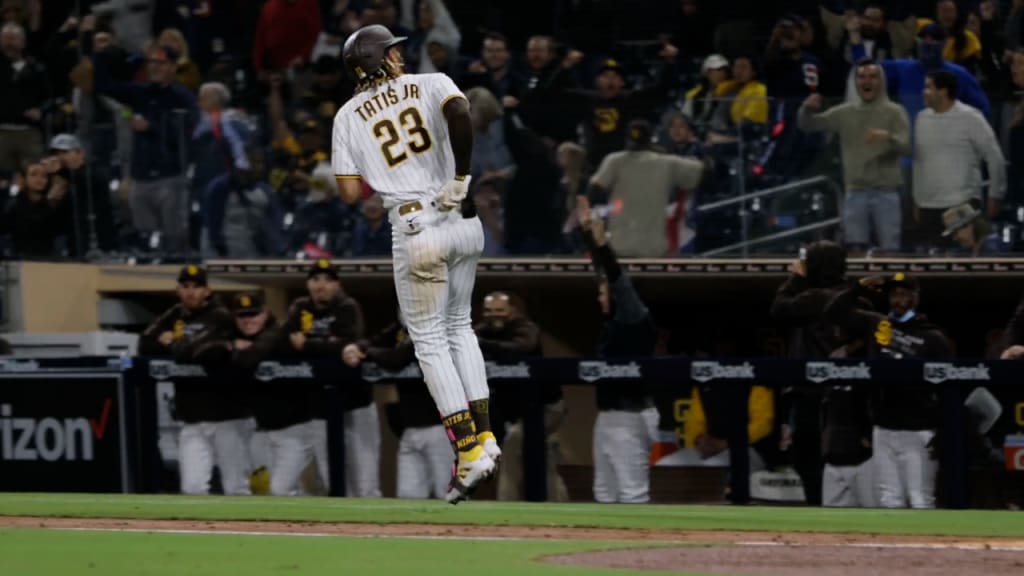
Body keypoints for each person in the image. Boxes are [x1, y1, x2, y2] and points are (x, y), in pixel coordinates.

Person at [332, 24, 499, 504]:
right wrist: (462, 175)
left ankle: (468, 449)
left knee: (428, 341)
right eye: (393, 50)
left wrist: (380, 172)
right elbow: (461, 111)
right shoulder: (431, 82)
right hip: (462, 219)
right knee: (460, 327)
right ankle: (484, 435)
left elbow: (347, 192)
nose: (400, 55)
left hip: (415, 228)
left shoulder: (347, 117)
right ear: (381, 59)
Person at [826, 272, 951, 509]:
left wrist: (942, 432)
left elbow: (948, 390)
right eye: (894, 294)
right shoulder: (877, 324)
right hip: (883, 427)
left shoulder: (932, 337)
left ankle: (927, 545)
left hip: (919, 430)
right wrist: (858, 288)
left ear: (915, 298)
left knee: (920, 499)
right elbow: (833, 312)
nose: (898, 300)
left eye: (904, 294)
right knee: (889, 498)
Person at [139, 265, 252, 495]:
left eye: (196, 287)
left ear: (207, 289)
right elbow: (144, 344)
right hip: (191, 416)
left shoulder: (220, 315)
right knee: (192, 488)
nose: (191, 292)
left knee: (236, 487)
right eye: (185, 286)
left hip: (226, 416)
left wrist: (170, 343)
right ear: (178, 289)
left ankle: (246, 530)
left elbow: (202, 352)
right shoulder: (174, 314)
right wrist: (176, 346)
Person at [577, 195, 658, 504]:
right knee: (604, 492)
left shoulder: (635, 318)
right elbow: (606, 278)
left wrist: (602, 247)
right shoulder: (613, 323)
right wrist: (588, 235)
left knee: (631, 492)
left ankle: (638, 552)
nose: (600, 298)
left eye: (602, 293)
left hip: (631, 413)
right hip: (608, 414)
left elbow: (617, 282)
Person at [283, 259, 375, 497]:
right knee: (331, 478)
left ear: (337, 284)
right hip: (320, 406)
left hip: (356, 404)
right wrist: (327, 345)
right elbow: (289, 342)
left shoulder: (347, 306)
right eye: (315, 279)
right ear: (308, 284)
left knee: (364, 481)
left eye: (327, 280)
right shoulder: (300, 307)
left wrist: (310, 344)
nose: (321, 285)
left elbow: (348, 342)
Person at [93, 43, 198, 253]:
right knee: (145, 242)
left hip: (170, 178)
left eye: (160, 63)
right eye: (151, 62)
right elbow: (104, 87)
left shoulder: (183, 97)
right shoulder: (141, 92)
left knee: (175, 241)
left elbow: (187, 133)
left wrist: (152, 127)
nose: (154, 67)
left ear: (173, 67)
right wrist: (102, 55)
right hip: (140, 179)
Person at [798, 60, 910, 253]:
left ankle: (893, 284)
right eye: (862, 76)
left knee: (890, 249)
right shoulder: (845, 112)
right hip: (855, 192)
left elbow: (907, 146)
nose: (867, 81)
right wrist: (806, 109)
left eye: (873, 77)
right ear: (856, 81)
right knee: (854, 248)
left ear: (881, 81)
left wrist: (889, 138)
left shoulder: (895, 112)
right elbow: (809, 125)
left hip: (887, 192)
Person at [770, 240, 850, 506]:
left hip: (815, 393)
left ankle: (820, 507)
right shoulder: (852, 293)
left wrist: (796, 276)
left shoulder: (818, 297)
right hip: (843, 393)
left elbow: (779, 308)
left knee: (813, 458)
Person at [348, 310, 454, 500]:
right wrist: (357, 348)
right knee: (408, 496)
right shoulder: (401, 330)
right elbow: (375, 340)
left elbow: (396, 359)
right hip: (411, 427)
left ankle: (458, 530)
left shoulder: (437, 329)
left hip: (441, 428)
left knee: (447, 494)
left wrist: (367, 353)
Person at [474, 291, 568, 502]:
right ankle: (557, 506)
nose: (494, 315)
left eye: (499, 310)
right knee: (542, 458)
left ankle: (507, 507)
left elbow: (521, 348)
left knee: (512, 445)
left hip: (547, 407)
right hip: (519, 410)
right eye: (489, 311)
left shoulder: (525, 328)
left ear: (512, 311)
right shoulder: (482, 332)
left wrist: (483, 345)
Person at [225, 291, 315, 496]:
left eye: (253, 314)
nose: (248, 320)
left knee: (280, 489)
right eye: (242, 315)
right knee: (264, 487)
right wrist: (229, 345)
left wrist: (237, 350)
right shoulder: (234, 337)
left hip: (296, 428)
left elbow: (250, 358)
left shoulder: (279, 332)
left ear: (265, 314)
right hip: (264, 430)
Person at [913, 70, 1005, 250]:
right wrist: (917, 199)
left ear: (943, 91)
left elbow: (995, 157)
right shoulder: (921, 118)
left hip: (963, 204)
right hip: (928, 208)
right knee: (935, 266)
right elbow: (919, 162)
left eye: (928, 87)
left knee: (966, 263)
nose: (923, 92)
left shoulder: (971, 117)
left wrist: (996, 194)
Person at [589, 119, 705, 258]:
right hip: (653, 247)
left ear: (627, 139)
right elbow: (703, 171)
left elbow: (594, 191)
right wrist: (696, 144)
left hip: (621, 244)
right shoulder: (665, 161)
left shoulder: (615, 160)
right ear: (650, 139)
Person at [47, 133, 118, 255]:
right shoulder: (59, 178)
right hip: (70, 239)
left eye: (65, 152)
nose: (60, 157)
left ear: (80, 153)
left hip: (99, 239)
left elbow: (88, 180)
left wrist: (61, 172)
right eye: (57, 154)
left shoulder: (94, 171)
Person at [0, 22, 48, 172]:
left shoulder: (37, 69)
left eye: (13, 39)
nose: (9, 44)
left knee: (34, 175)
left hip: (30, 133)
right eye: (5, 39)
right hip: (1, 133)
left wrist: (41, 111)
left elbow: (49, 98)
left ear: (23, 42)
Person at [2, 161, 68, 259]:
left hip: (48, 258)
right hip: (20, 257)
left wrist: (51, 203)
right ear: (24, 179)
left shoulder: (53, 204)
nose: (40, 179)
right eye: (34, 174)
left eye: (44, 176)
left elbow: (54, 230)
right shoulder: (14, 203)